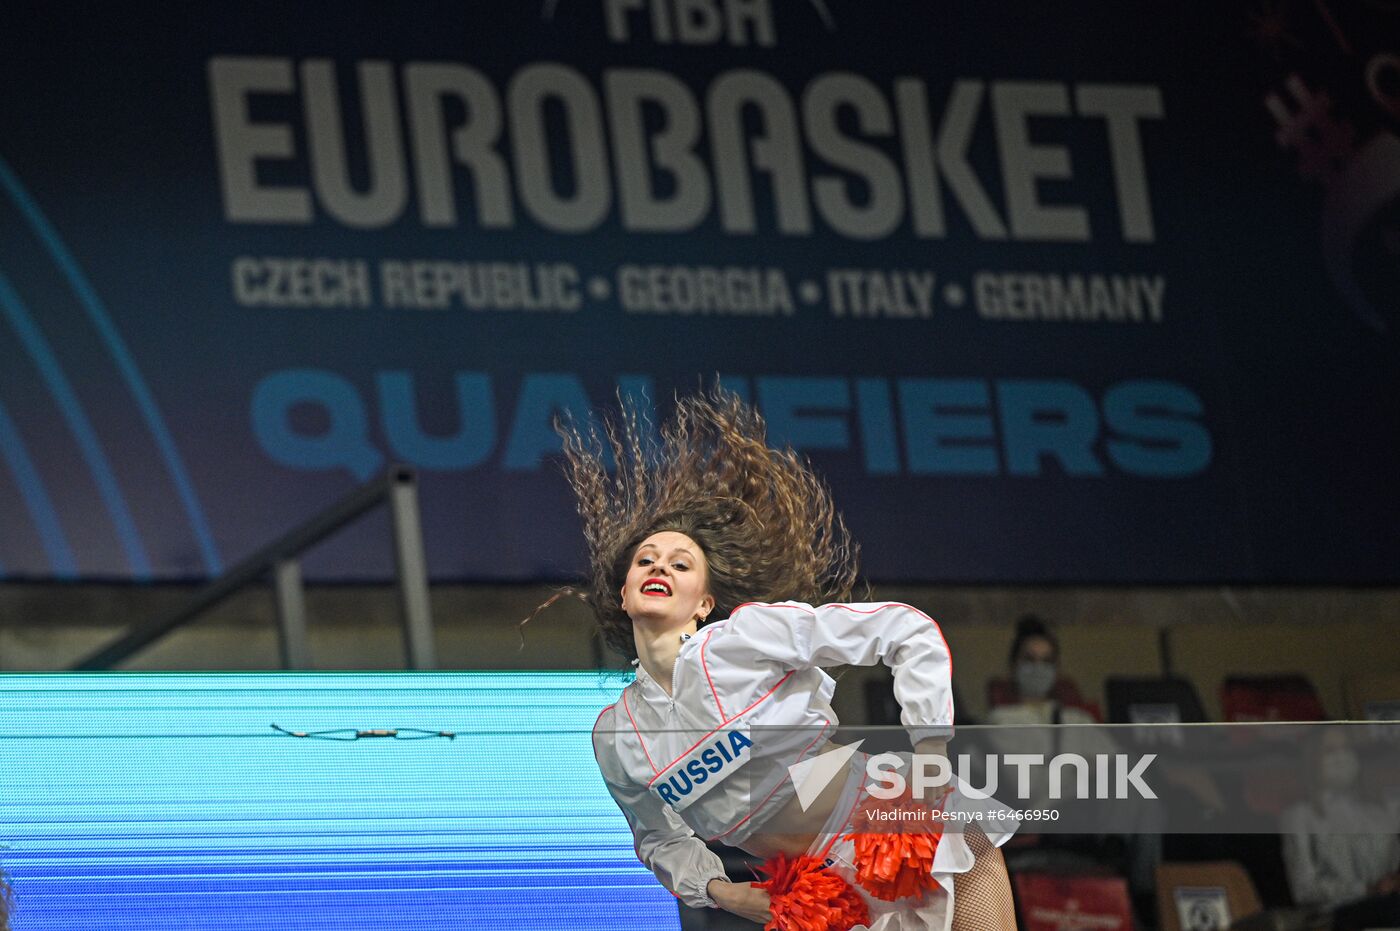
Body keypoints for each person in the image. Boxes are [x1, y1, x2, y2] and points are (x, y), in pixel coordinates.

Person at [556, 389, 1019, 930]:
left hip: (895, 830)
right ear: (625, 591)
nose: (660, 567)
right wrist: (727, 894)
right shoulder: (618, 736)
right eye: (645, 560)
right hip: (817, 899)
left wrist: (932, 748)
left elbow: (904, 630)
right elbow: (657, 837)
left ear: (705, 603)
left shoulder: (743, 640)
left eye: (681, 564)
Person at [1281, 728, 1400, 910]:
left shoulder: (1380, 808)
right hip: (1339, 915)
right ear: (1313, 760)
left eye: (1346, 748)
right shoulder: (1299, 816)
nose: (1341, 757)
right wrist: (1365, 889)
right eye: (1329, 751)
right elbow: (1304, 889)